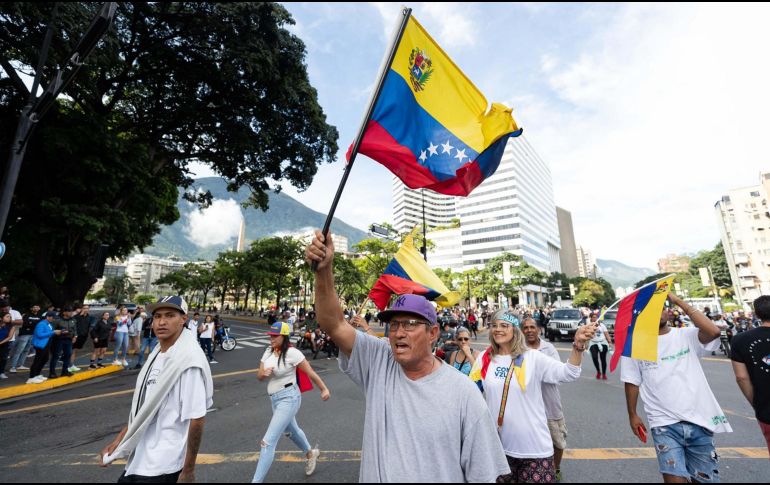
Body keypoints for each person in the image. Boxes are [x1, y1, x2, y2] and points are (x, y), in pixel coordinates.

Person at [306, 231, 510, 483]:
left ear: (433, 332)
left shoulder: (464, 393)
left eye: (410, 324)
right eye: (394, 324)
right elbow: (334, 324)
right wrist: (323, 271)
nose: (399, 333)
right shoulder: (379, 360)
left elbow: (483, 476)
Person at [100, 296, 213, 483]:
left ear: (183, 319)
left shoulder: (188, 362)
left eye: (170, 315)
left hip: (164, 466)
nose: (161, 322)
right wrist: (118, 442)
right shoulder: (157, 354)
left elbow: (197, 419)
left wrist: (188, 470)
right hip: (139, 460)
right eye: (157, 316)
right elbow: (145, 408)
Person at [474, 311, 594, 484]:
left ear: (515, 330)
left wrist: (578, 345)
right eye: (494, 326)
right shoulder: (485, 359)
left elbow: (569, 373)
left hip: (534, 450)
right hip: (499, 450)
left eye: (504, 326)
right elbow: (471, 392)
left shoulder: (532, 357)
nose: (497, 330)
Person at [622, 293, 730, 483]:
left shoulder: (687, 335)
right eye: (650, 311)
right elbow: (631, 381)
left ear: (668, 312)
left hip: (699, 421)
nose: (657, 314)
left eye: (660, 308)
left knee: (704, 480)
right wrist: (632, 414)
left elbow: (713, 332)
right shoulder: (636, 344)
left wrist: (679, 301)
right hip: (663, 424)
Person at [252, 321, 330, 482]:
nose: (271, 339)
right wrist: (264, 373)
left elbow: (310, 372)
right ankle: (310, 453)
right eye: (270, 336)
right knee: (291, 432)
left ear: (284, 336)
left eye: (275, 336)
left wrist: (323, 389)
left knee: (267, 442)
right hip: (275, 400)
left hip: (289, 398)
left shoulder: (292, 353)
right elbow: (259, 376)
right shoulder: (268, 351)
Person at [521, 318, 569, 482]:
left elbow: (558, 373)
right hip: (529, 408)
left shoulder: (549, 348)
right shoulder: (519, 351)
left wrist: (540, 369)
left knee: (558, 442)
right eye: (525, 328)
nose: (529, 330)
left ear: (539, 329)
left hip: (550, 404)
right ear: (522, 331)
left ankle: (556, 469)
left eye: (532, 327)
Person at [730, 295, 770, 456]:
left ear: (756, 314)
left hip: (767, 409)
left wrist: (757, 403)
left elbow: (742, 377)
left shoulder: (740, 340)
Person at [27, 312, 60, 383]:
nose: (53, 319)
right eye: (53, 318)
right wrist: (53, 332)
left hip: (46, 344)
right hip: (40, 345)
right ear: (48, 316)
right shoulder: (41, 324)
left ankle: (37, 374)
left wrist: (56, 332)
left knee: (45, 359)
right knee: (38, 360)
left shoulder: (48, 324)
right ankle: (31, 377)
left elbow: (48, 334)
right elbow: (39, 334)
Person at [9, 304, 42, 373]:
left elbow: (40, 325)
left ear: (39, 308)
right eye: (34, 307)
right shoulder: (26, 315)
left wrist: (32, 323)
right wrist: (35, 324)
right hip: (25, 335)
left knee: (26, 351)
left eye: (37, 307)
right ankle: (13, 367)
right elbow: (26, 324)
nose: (36, 308)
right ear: (31, 308)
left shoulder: (40, 316)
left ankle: (20, 365)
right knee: (19, 351)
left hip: (33, 335)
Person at [50, 307, 77, 378]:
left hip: (69, 340)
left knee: (68, 355)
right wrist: (60, 332)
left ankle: (64, 371)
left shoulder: (73, 320)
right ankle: (52, 373)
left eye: (71, 311)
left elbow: (75, 329)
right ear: (64, 313)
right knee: (56, 356)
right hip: (59, 340)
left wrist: (75, 336)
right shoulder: (57, 320)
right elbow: (52, 330)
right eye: (68, 311)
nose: (71, 313)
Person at [587, 312, 613, 380]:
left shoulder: (602, 325)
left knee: (603, 359)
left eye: (596, 317)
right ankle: (598, 371)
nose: (595, 318)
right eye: (593, 317)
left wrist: (609, 342)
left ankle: (604, 374)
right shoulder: (588, 326)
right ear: (591, 318)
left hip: (603, 342)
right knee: (594, 357)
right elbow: (586, 335)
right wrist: (586, 344)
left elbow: (606, 334)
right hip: (593, 343)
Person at [72, 304, 95, 373]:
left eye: (87, 308)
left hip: (83, 337)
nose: (86, 309)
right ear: (82, 309)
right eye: (84, 308)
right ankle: (70, 365)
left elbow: (90, 326)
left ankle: (71, 364)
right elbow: (73, 326)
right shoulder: (77, 317)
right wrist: (74, 336)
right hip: (76, 336)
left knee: (75, 351)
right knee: (72, 351)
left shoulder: (89, 317)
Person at [0, 312, 17, 379]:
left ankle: (1, 372)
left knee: (3, 359)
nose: (9, 318)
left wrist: (0, 343)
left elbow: (9, 337)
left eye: (10, 317)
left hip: (4, 344)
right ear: (1, 317)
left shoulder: (12, 326)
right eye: (7, 316)